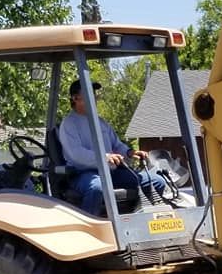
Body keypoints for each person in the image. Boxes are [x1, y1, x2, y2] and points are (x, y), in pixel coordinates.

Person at [59, 79, 166, 215]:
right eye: (88, 94)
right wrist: (106, 157)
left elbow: (116, 144)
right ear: (75, 98)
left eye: (94, 94)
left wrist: (129, 152)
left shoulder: (101, 122)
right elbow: (77, 154)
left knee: (157, 181)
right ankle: (90, 224)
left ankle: (135, 218)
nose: (94, 98)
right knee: (97, 187)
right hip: (84, 174)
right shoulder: (69, 124)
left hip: (111, 173)